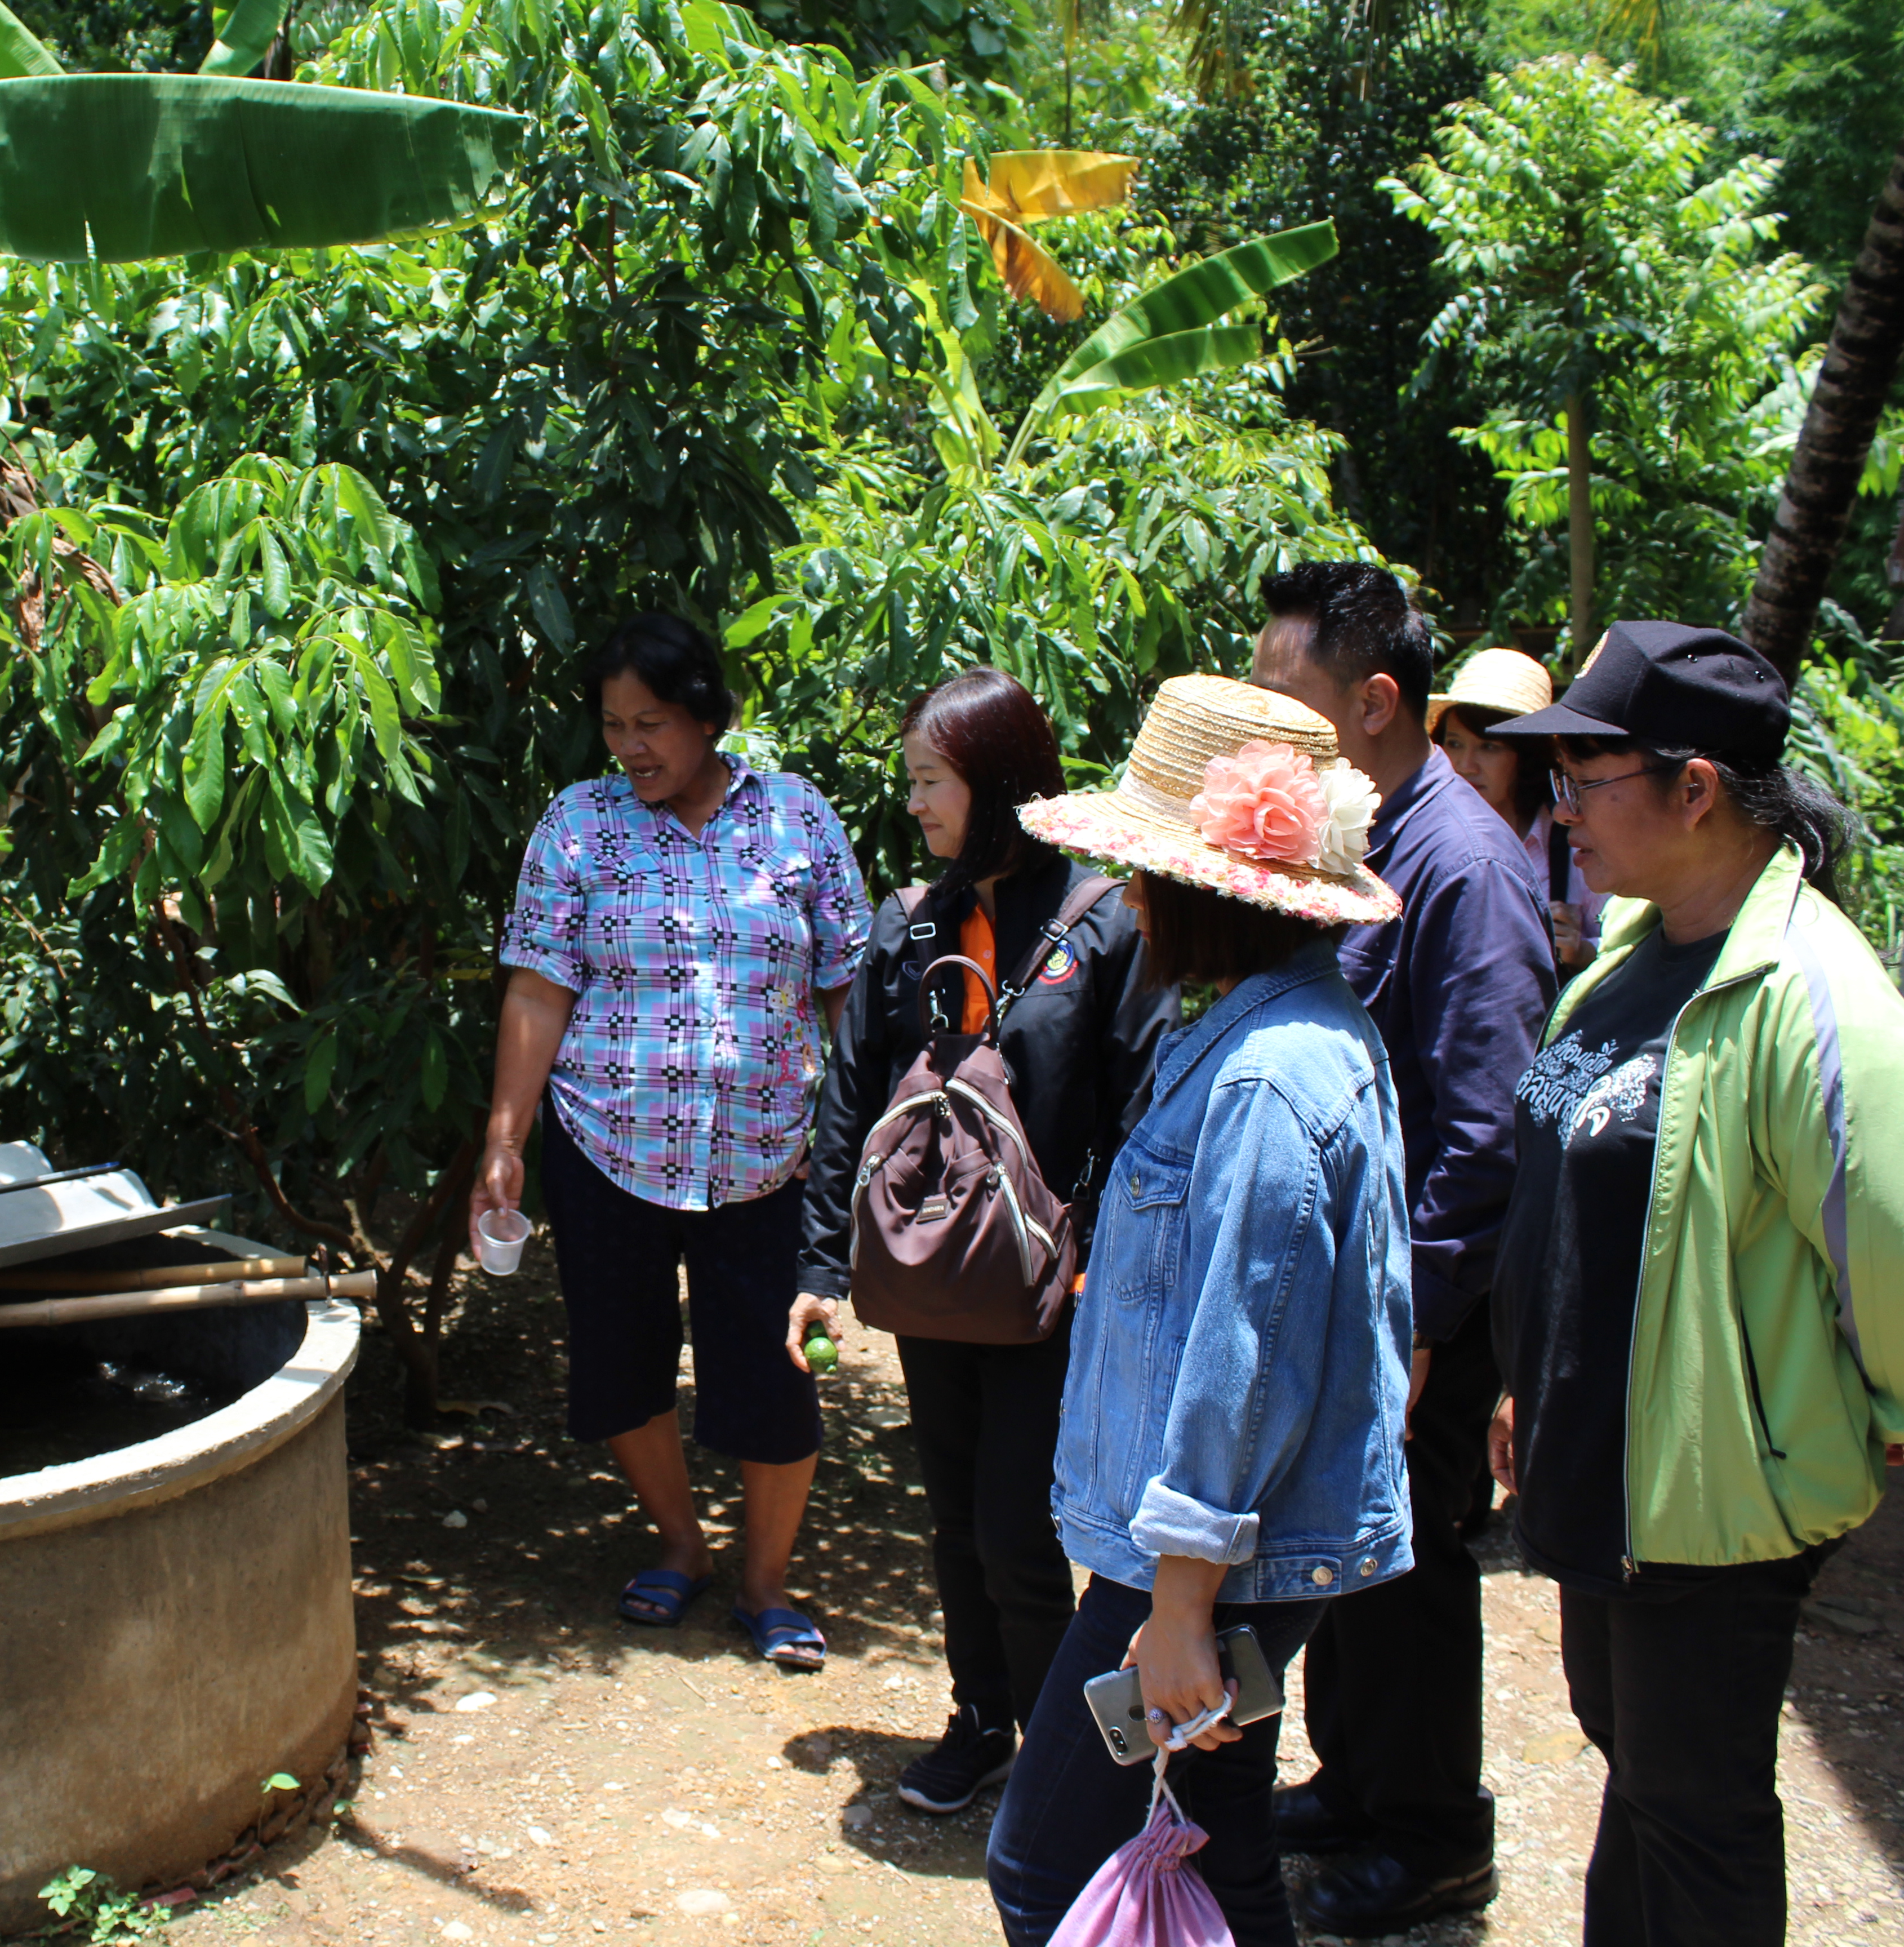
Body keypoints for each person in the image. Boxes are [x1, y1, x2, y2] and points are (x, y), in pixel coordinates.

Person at [1484, 621, 1904, 1946]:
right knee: (1637, 1773)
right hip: (1600, 1465)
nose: (1558, 812)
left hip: (1712, 1503)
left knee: (1695, 1804)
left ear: (1694, 787)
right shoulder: (1620, 960)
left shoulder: (1813, 1002)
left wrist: (1840, 1418)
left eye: (1583, 779)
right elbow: (1559, 1175)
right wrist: (1519, 1377)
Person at [984, 673, 1415, 1947]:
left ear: (1197, 889)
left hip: (1204, 1564)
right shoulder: (1246, 1030)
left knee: (1039, 1865)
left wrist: (1179, 1607)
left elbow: (1246, 1355)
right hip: (1213, 1554)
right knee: (1218, 1842)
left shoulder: (1269, 1078)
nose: (1121, 898)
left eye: (1138, 873)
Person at [788, 667, 1173, 1815]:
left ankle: (1063, 1749)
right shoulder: (909, 925)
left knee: (1018, 1524)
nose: (915, 803)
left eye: (932, 780)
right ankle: (982, 1719)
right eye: (911, 781)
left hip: (1055, 1290)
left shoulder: (1104, 922)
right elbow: (850, 1093)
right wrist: (820, 1266)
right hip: (936, 1276)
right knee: (955, 1515)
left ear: (1002, 782)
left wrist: (1106, 1250)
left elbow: (1139, 1098)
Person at [1245, 563, 1554, 1936]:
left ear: (1373, 701)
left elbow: (1484, 1132)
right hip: (1364, 1298)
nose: (1263, 716)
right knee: (1349, 1562)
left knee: (1415, 1566)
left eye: (1283, 691)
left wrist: (1421, 1321)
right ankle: (1360, 1782)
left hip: (1422, 1306)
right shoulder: (1368, 831)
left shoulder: (1462, 865)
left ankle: (1435, 1834)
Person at [473, 613, 871, 1670]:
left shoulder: (796, 819)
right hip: (607, 1145)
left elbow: (847, 991)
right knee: (619, 1362)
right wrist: (504, 1138)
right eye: (611, 726)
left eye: (649, 722)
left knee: (775, 1373)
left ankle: (765, 1582)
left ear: (705, 714)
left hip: (770, 1151)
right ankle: (682, 1546)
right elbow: (537, 983)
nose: (629, 747)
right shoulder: (575, 824)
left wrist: (863, 1145)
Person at [1430, 646, 1604, 972]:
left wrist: (1581, 950)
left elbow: (1628, 945)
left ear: (1526, 756)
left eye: (1489, 747)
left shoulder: (1574, 843)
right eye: (1454, 743)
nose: (1466, 765)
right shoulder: (1425, 836)